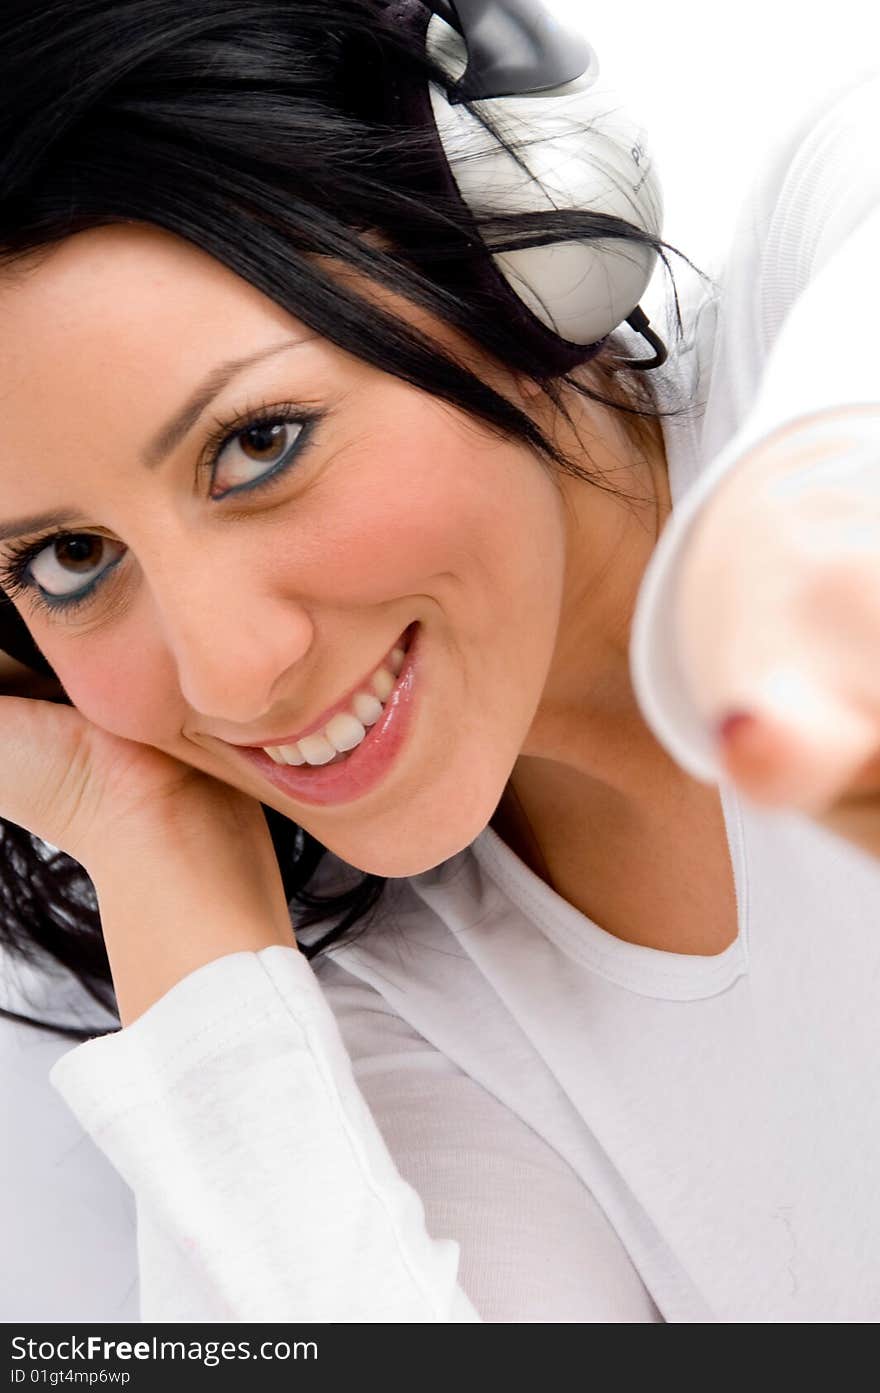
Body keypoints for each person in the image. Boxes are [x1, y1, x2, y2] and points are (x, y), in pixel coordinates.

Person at [0, 0, 878, 1323]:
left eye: (261, 443)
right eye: (71, 560)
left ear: (516, 233)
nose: (233, 676)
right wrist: (150, 845)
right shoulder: (404, 1016)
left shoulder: (830, 243)